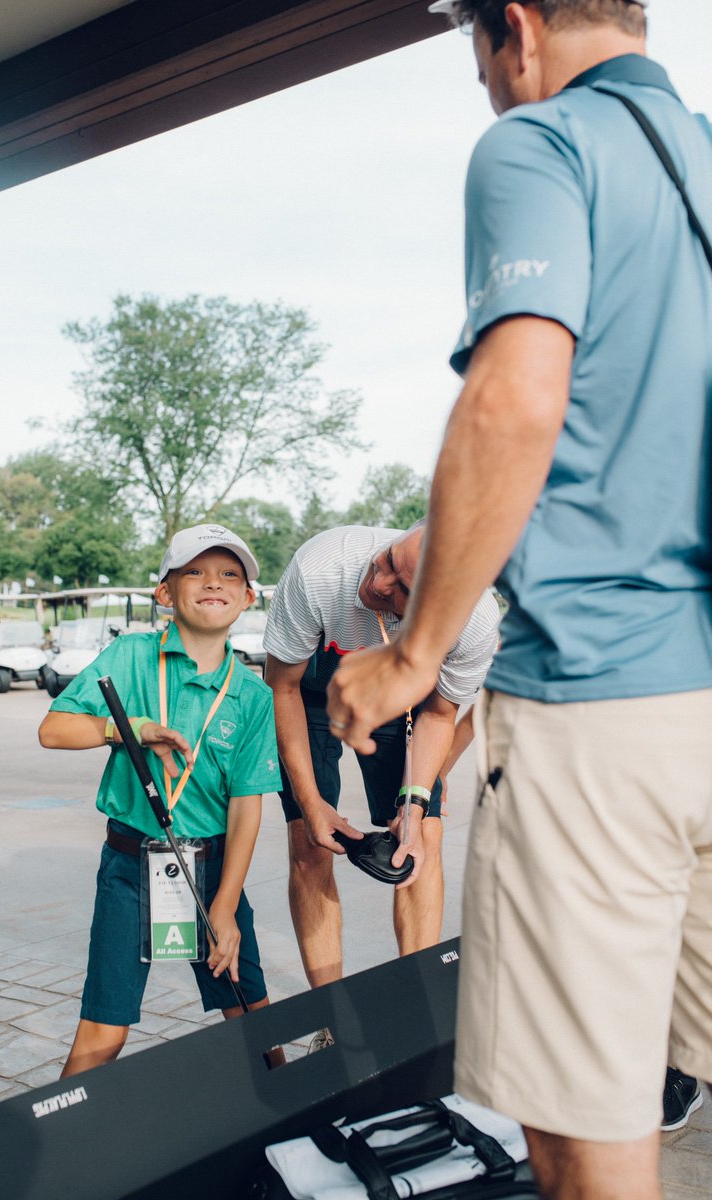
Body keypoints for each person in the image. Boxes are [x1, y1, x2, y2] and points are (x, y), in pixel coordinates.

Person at [327, 0, 712, 1195]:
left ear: (518, 27)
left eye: (475, 50)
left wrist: (411, 653)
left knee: (581, 1125)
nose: (485, 84)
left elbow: (516, 399)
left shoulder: (541, 143)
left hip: (602, 713)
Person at [39, 524, 280, 1077]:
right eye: (194, 571)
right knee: (104, 1031)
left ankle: (290, 1116)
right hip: (130, 866)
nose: (213, 583)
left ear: (247, 597)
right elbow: (53, 730)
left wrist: (225, 906)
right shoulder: (130, 656)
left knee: (253, 1017)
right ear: (165, 592)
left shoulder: (253, 695)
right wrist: (132, 729)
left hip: (214, 873)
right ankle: (64, 1128)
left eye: (229, 574)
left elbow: (247, 806)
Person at [263, 522, 499, 996]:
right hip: (310, 683)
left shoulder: (473, 624)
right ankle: (328, 1009)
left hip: (402, 686)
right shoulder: (320, 568)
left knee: (421, 835)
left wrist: (415, 802)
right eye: (389, 559)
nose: (378, 582)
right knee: (310, 840)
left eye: (402, 589)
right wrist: (310, 803)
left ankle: (417, 998)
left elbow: (439, 715)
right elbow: (282, 688)